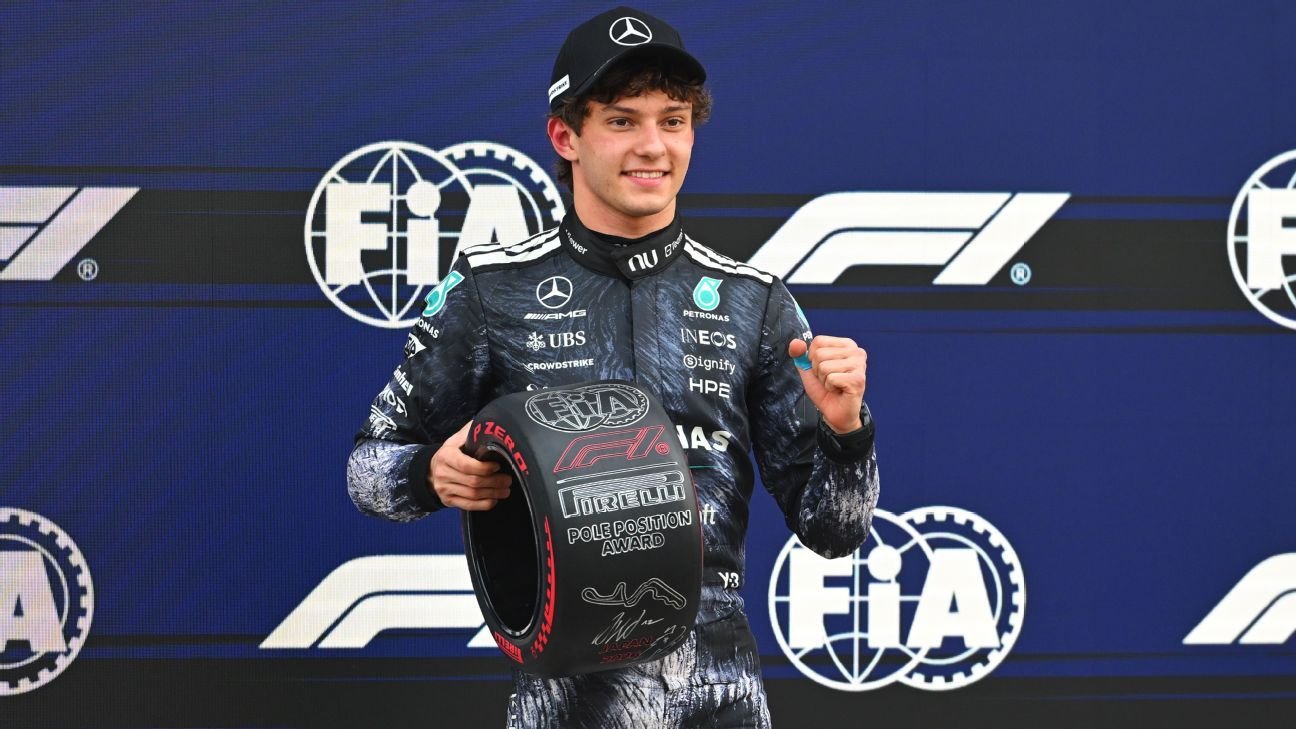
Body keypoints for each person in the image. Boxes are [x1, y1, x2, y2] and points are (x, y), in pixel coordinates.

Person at [347, 6, 879, 727]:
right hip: (568, 695)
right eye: (623, 121)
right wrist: (429, 474)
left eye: (673, 121)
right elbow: (368, 470)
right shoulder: (492, 288)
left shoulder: (754, 301)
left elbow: (834, 532)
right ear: (566, 136)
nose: (653, 146)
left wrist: (847, 431)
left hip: (720, 692)